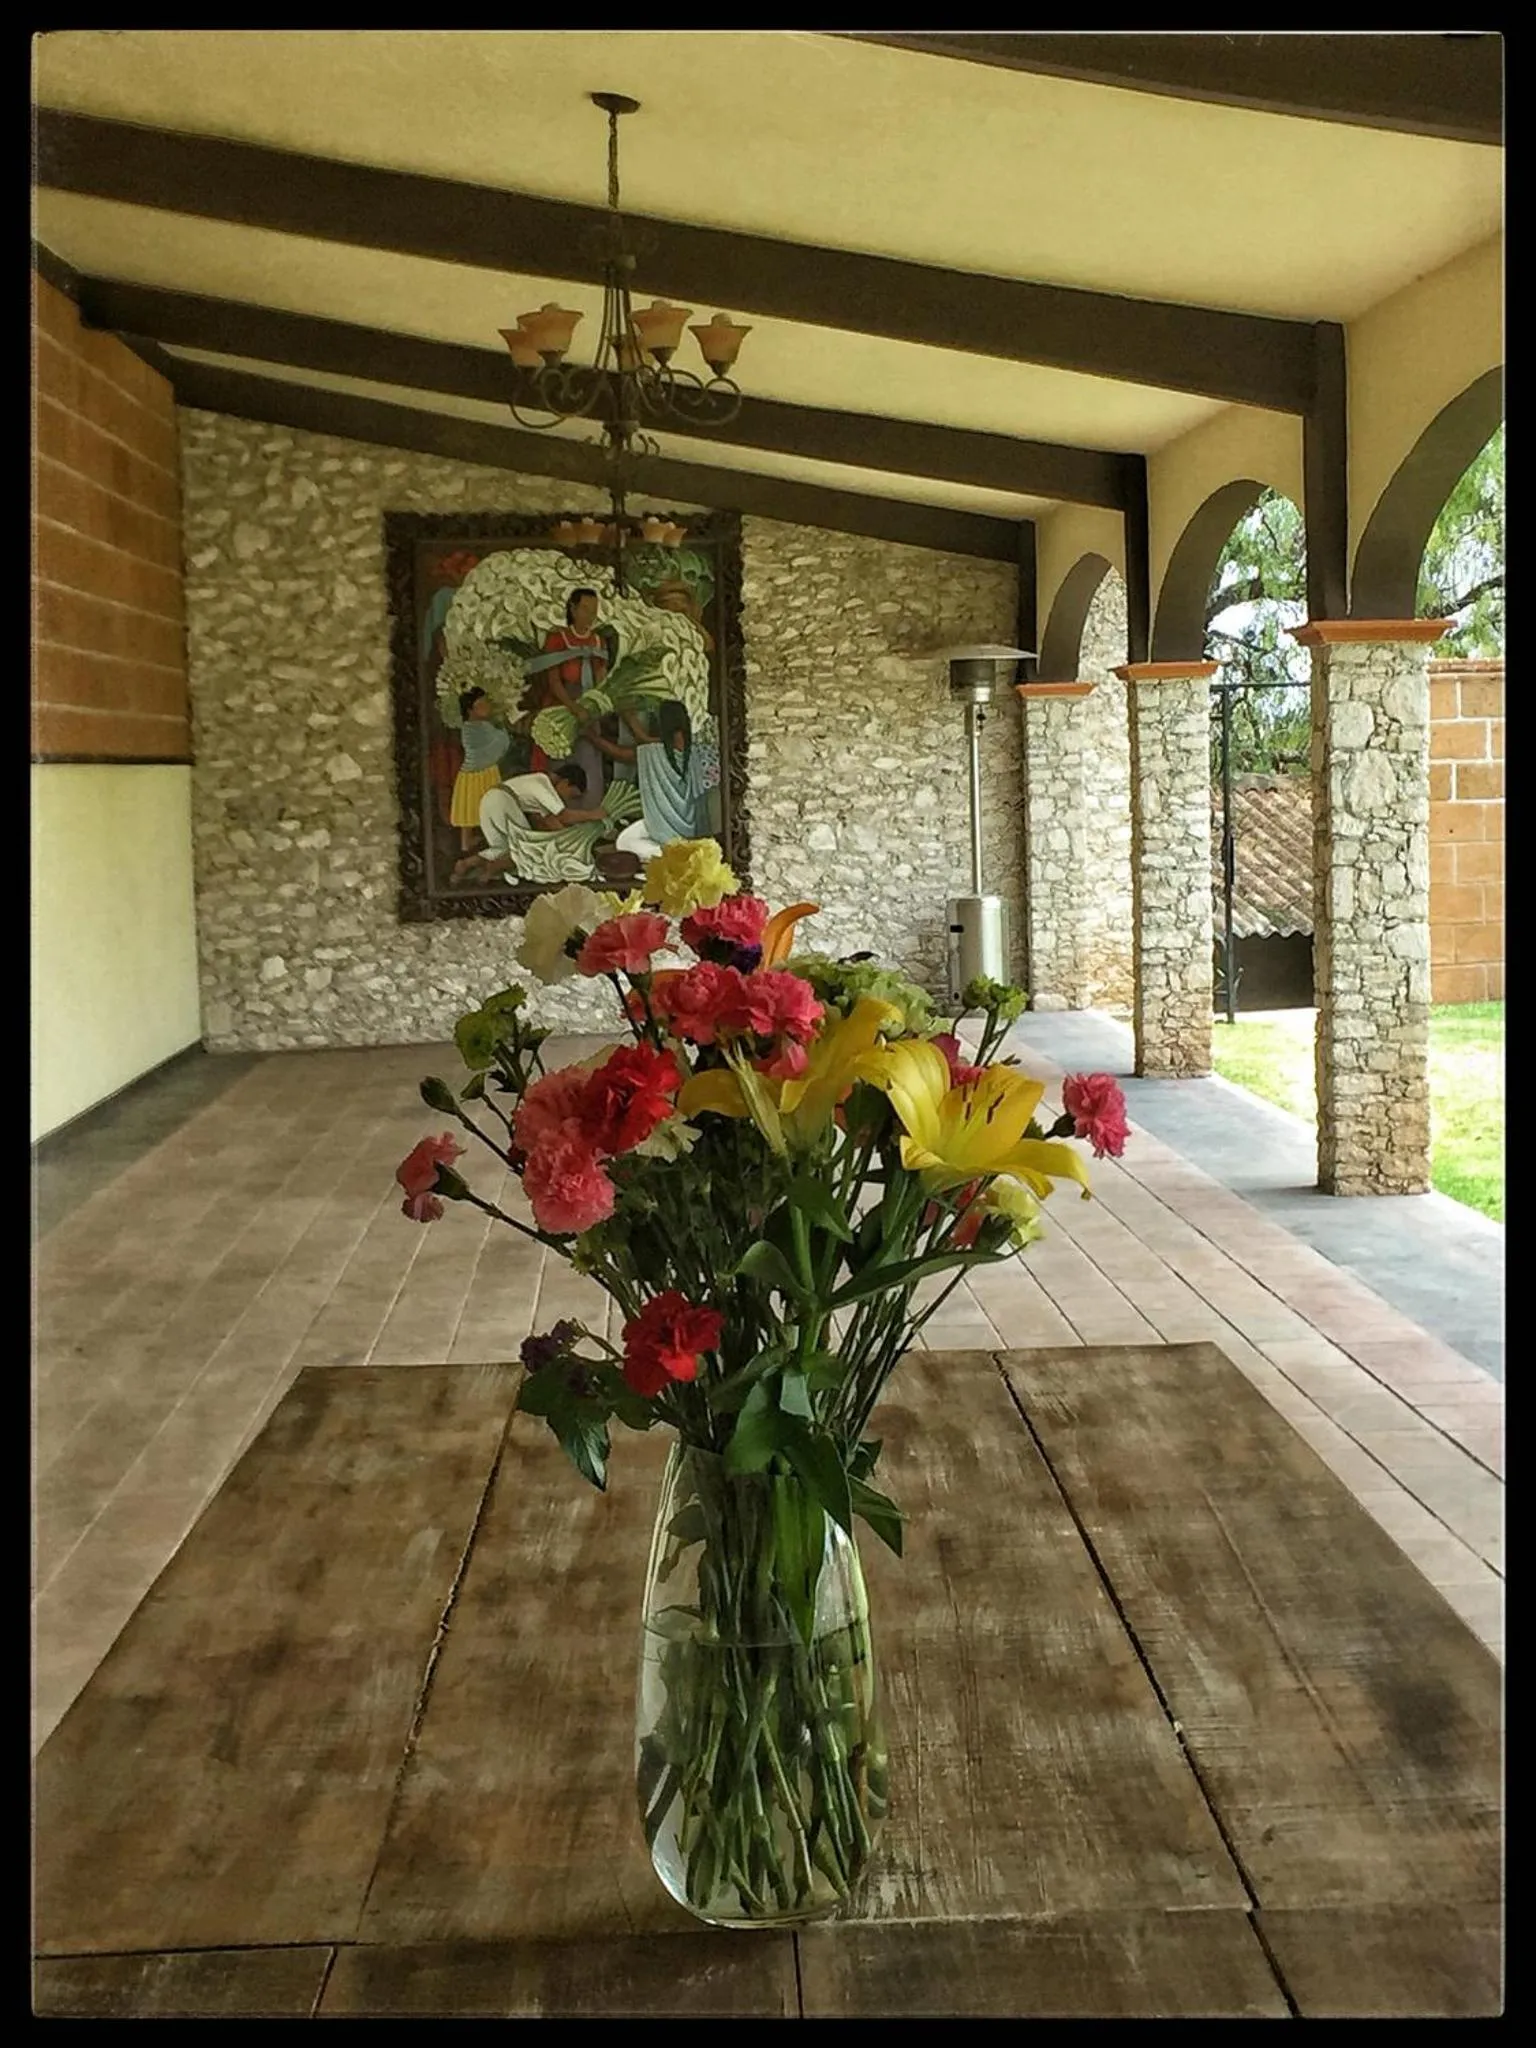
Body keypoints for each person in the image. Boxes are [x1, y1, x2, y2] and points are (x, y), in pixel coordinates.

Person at [449, 759, 609, 885]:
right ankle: (489, 872)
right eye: (570, 794)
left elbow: (551, 822)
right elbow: (564, 816)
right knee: (525, 848)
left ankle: (466, 864)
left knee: (502, 848)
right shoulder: (544, 784)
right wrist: (593, 815)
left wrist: (571, 839)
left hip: (490, 800)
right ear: (565, 782)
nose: (566, 799)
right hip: (503, 801)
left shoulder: (542, 787)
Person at [520, 587, 612, 801]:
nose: (590, 615)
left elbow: (601, 675)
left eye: (594, 610)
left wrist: (597, 702)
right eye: (585, 609)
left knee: (589, 754)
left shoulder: (599, 641)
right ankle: (559, 813)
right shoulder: (558, 638)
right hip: (560, 705)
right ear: (573, 608)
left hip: (589, 705)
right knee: (560, 757)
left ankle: (589, 809)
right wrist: (573, 708)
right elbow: (553, 681)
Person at [448, 688, 512, 852]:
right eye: (481, 704)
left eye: (486, 703)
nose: (487, 707)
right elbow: (500, 744)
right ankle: (469, 842)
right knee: (475, 808)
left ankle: (480, 840)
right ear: (471, 710)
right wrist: (502, 729)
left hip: (483, 772)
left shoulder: (479, 726)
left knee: (482, 807)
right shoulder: (474, 729)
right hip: (476, 774)